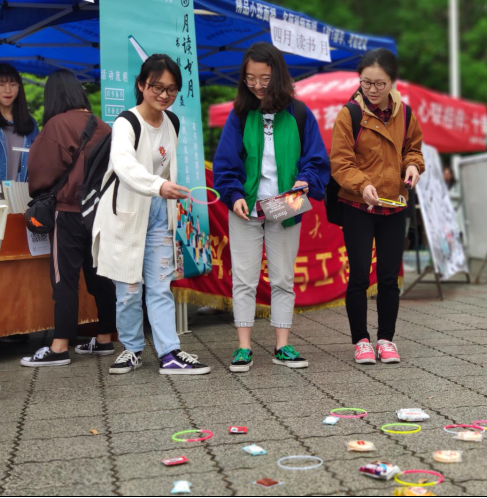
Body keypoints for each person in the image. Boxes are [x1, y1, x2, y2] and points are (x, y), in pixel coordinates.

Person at [213, 42, 330, 373]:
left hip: (286, 206)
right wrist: (233, 194)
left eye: (264, 78)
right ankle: (243, 347)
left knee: (282, 278)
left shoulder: (300, 113)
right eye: (250, 78)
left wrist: (305, 180)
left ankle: (282, 346)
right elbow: (226, 164)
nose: (257, 85)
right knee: (244, 279)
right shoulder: (239, 115)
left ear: (277, 75)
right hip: (245, 208)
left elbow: (316, 159)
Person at [92, 54, 212, 375]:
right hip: (126, 215)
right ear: (141, 85)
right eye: (157, 87)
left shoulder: (172, 121)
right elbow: (124, 165)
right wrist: (159, 185)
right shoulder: (126, 122)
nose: (164, 94)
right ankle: (131, 349)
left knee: (160, 286)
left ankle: (169, 352)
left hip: (160, 214)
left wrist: (169, 194)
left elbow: (169, 167)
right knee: (128, 291)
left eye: (171, 89)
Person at [331, 48, 425, 364]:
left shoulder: (405, 114)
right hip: (358, 205)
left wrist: (412, 166)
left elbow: (413, 150)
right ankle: (361, 341)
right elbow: (341, 163)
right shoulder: (349, 114)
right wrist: (362, 185)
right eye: (366, 83)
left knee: (388, 277)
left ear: (392, 82)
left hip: (394, 204)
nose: (372, 90)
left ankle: (386, 339)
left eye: (379, 84)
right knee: (359, 275)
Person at [21, 70, 117, 367]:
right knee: (101, 276)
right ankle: (104, 338)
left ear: (53, 96)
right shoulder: (103, 126)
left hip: (68, 212)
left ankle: (60, 346)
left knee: (64, 279)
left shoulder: (56, 125)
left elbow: (41, 171)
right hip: (99, 212)